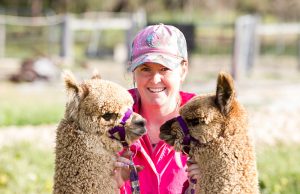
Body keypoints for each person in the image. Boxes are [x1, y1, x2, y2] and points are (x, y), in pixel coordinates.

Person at [114, 23, 200, 194]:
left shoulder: (203, 126)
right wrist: (108, 185)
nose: (155, 79)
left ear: (183, 70)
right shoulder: (111, 122)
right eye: (145, 69)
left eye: (164, 68)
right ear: (133, 71)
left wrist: (207, 185)